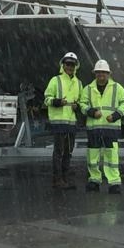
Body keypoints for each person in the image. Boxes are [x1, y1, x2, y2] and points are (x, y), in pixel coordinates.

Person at [78, 59, 124, 193]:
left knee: (111, 156)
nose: (101, 75)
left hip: (111, 128)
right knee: (92, 156)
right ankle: (94, 180)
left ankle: (114, 183)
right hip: (94, 128)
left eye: (104, 72)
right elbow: (82, 104)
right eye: (99, 72)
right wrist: (92, 112)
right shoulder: (87, 89)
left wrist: (116, 115)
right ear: (95, 73)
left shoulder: (118, 88)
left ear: (109, 74)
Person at [43, 52, 83, 190]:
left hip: (71, 122)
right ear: (63, 65)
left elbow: (81, 102)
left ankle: (65, 179)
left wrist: (77, 106)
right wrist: (57, 102)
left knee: (68, 152)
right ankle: (57, 180)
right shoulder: (55, 80)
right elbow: (47, 99)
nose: (70, 67)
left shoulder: (79, 83)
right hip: (59, 122)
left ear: (75, 66)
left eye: (72, 64)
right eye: (67, 64)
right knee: (58, 152)